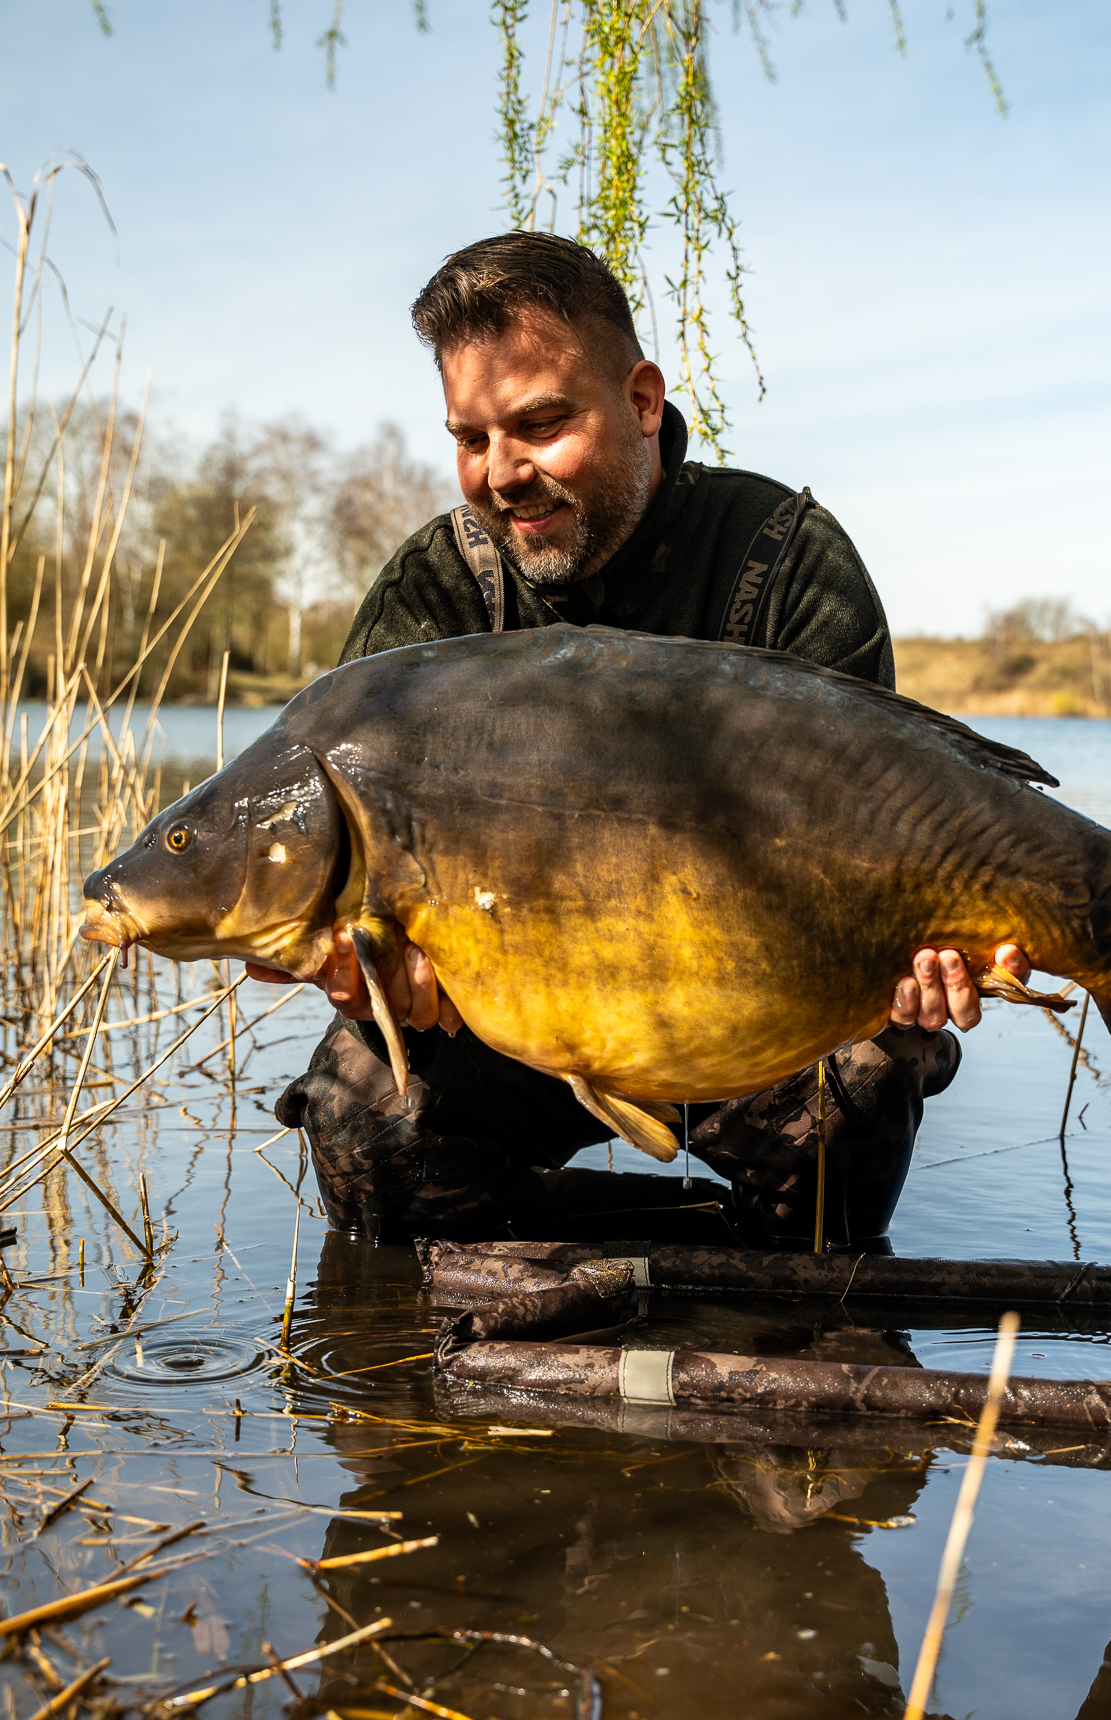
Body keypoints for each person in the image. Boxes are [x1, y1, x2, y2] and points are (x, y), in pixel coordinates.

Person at [264, 232, 1031, 1247]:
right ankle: (543, 1315)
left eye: (540, 422)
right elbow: (328, 890)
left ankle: (745, 1289)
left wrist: (922, 951)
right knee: (365, 1128)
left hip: (758, 1017)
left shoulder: (790, 562)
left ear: (639, 401)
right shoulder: (434, 594)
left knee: (848, 1125)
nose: (501, 473)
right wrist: (354, 968)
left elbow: (887, 848)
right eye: (471, 437)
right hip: (513, 1027)